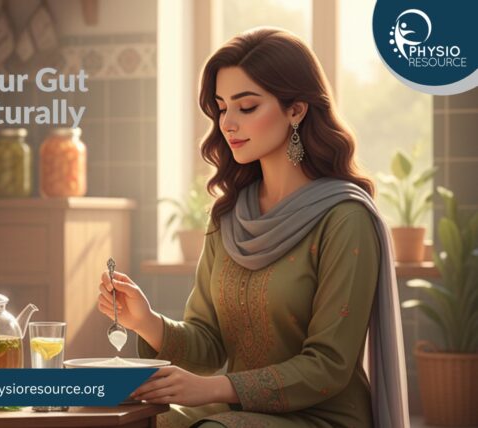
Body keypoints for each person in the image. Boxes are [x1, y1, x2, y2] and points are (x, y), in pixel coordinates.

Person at [97, 28, 410, 428]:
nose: (228, 123)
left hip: (324, 418)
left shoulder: (345, 218)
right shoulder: (229, 215)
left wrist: (213, 388)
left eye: (246, 107)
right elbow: (209, 345)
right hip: (240, 411)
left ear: (296, 110)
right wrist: (146, 322)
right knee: (136, 422)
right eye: (221, 107)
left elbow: (328, 366)